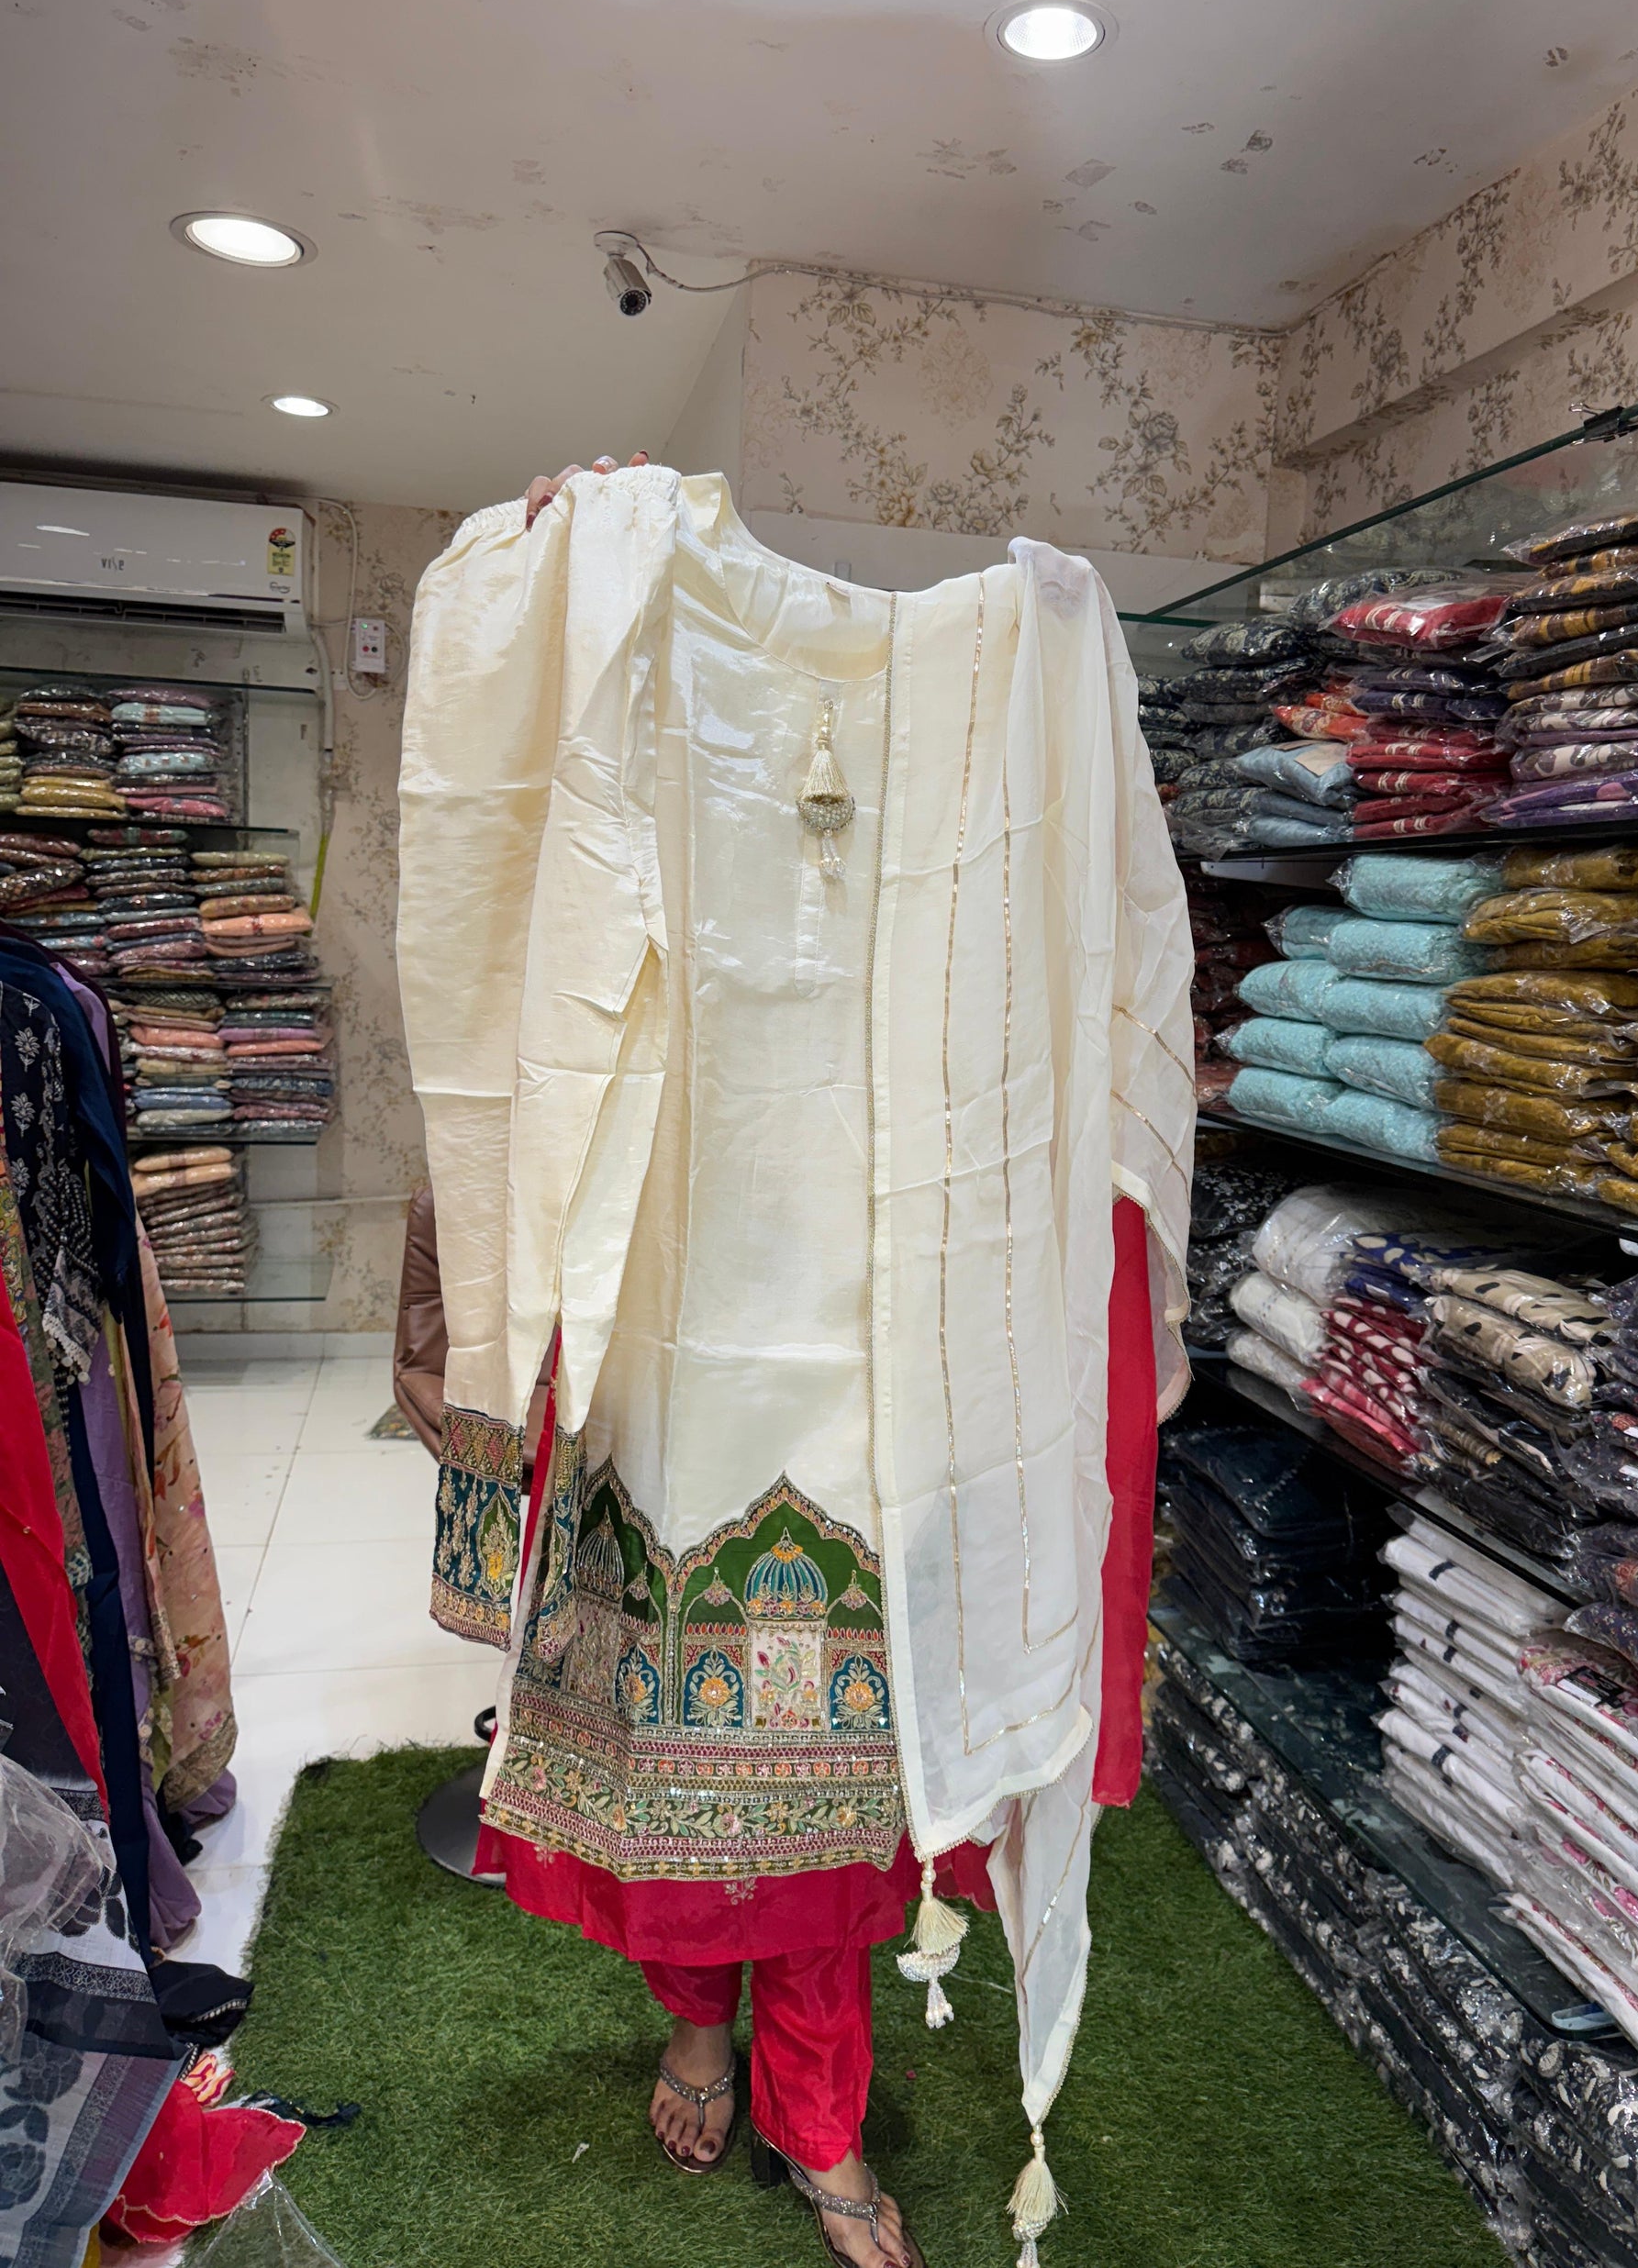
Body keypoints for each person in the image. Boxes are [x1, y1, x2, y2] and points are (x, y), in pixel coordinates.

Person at [397, 452, 1194, 2267]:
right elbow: (500, 864)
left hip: (908, 1338)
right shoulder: (640, 610)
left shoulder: (1035, 673)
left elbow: (1108, 983)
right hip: (683, 1285)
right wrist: (546, 570)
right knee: (677, 1757)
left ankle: (814, 2110)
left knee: (840, 1809)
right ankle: (698, 2024)